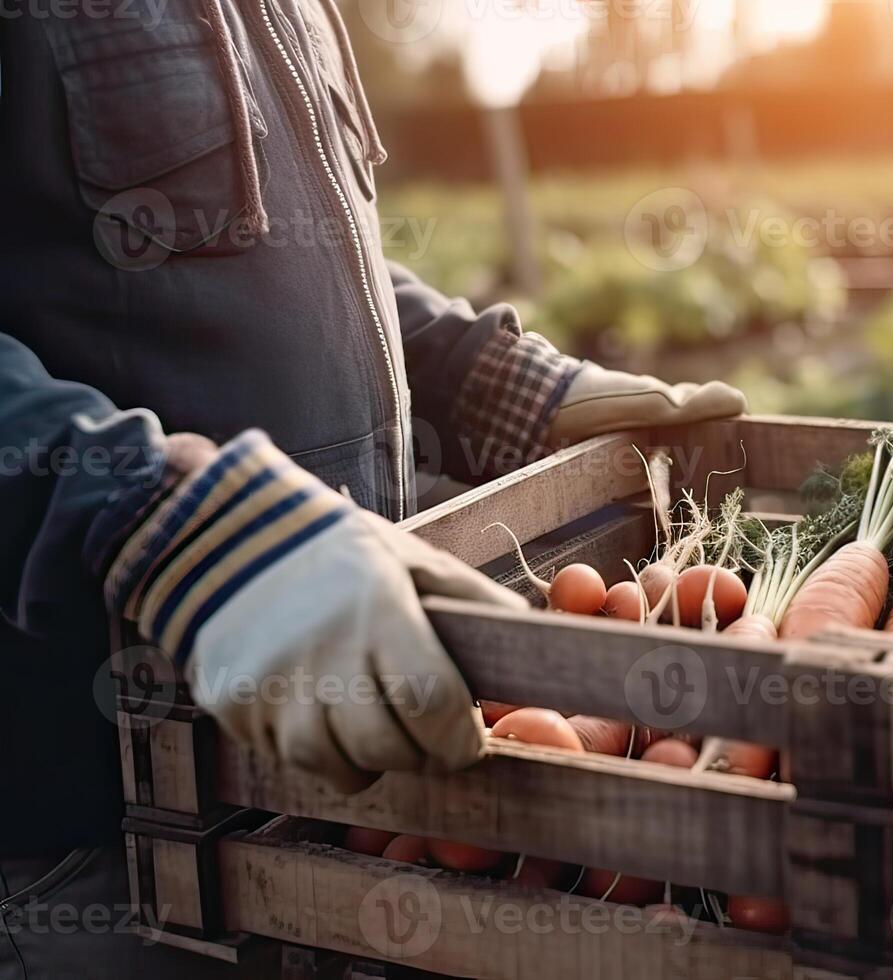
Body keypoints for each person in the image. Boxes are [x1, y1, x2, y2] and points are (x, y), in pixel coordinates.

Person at [0, 5, 743, 976]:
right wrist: (162, 519)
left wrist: (481, 377)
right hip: (101, 847)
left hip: (330, 789)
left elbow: (282, 258)